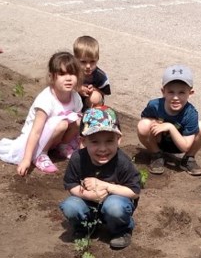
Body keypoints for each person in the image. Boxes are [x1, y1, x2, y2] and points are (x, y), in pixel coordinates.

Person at [59, 106, 141, 249]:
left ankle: (121, 230)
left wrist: (106, 186)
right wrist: (89, 195)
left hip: (115, 202)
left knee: (114, 207)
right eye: (95, 142)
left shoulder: (122, 162)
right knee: (70, 206)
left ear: (119, 139)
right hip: (88, 202)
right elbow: (71, 184)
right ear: (83, 142)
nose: (103, 148)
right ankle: (86, 228)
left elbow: (134, 191)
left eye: (109, 141)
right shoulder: (78, 158)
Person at [0, 51, 84, 175]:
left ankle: (62, 146)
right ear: (51, 76)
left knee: (79, 120)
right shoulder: (46, 99)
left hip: (56, 136)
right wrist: (26, 159)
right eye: (62, 74)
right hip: (37, 140)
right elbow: (36, 131)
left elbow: (80, 124)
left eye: (72, 74)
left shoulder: (75, 96)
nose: (68, 78)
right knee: (62, 123)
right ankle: (40, 155)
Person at [137, 64, 201, 177]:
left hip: (180, 143)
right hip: (159, 141)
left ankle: (188, 159)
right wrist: (154, 123)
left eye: (181, 92)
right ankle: (156, 155)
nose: (176, 97)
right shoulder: (154, 105)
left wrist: (170, 127)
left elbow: (184, 146)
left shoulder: (190, 113)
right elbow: (145, 119)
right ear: (163, 91)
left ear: (190, 93)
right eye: (171, 92)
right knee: (143, 125)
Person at [73, 35, 111, 108]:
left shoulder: (100, 76)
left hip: (89, 102)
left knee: (95, 97)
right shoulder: (71, 71)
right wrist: (78, 88)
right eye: (83, 62)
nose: (88, 66)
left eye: (92, 61)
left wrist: (93, 90)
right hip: (73, 99)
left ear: (97, 59)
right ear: (75, 59)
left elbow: (104, 93)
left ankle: (93, 115)